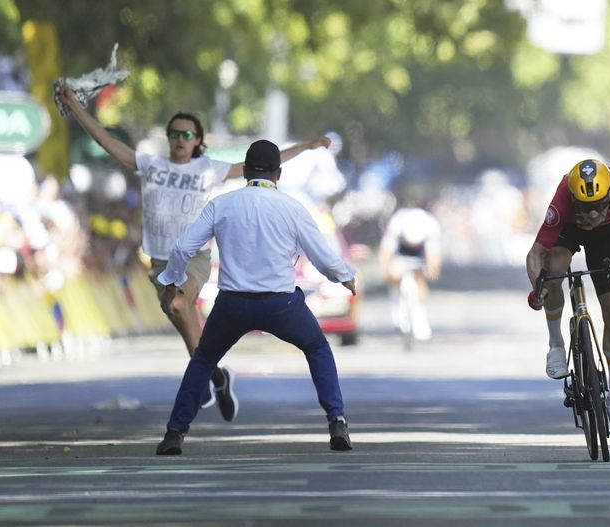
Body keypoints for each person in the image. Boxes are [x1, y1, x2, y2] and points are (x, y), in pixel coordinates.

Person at [58, 84, 330, 422]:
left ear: (197, 140)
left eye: (187, 133)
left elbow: (259, 165)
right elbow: (106, 142)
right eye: (174, 132)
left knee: (179, 303)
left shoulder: (207, 170)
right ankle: (216, 376)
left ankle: (202, 378)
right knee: (185, 323)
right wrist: (75, 107)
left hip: (194, 257)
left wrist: (305, 146)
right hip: (159, 261)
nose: (179, 138)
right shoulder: (151, 165)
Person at [154, 139, 357, 455]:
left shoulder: (223, 204)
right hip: (282, 305)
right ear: (279, 174)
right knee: (317, 347)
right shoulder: (293, 208)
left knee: (204, 359)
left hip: (233, 304)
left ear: (245, 170)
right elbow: (322, 256)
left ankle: (174, 433)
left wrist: (172, 280)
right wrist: (345, 277)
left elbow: (182, 248)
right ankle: (337, 421)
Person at [525, 159, 610, 439]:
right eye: (585, 207)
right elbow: (535, 254)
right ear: (573, 200)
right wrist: (538, 288)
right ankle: (556, 343)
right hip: (569, 231)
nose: (592, 213)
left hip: (607, 237)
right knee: (555, 267)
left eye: (599, 206)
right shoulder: (563, 194)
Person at [378, 192, 442, 341]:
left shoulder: (430, 226)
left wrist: (433, 269)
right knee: (395, 273)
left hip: (421, 253)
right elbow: (386, 251)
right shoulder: (398, 223)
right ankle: (396, 304)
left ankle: (420, 315)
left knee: (420, 278)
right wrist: (385, 268)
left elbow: (434, 255)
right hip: (400, 250)